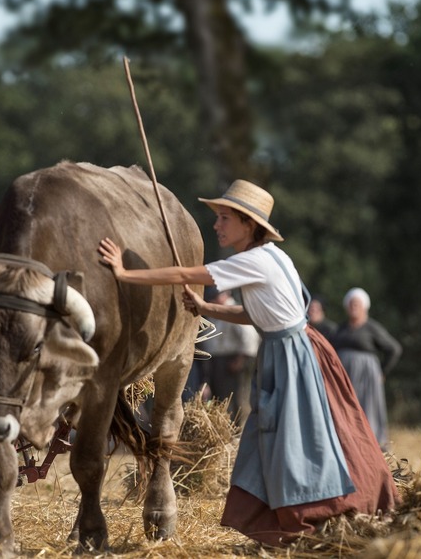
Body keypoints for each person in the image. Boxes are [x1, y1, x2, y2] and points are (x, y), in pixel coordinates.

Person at [98, 179, 397, 545]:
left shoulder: (254, 260)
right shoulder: (273, 257)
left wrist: (124, 273)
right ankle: (284, 524)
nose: (216, 225)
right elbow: (266, 313)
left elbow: (183, 274)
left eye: (224, 218)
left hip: (292, 358)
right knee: (279, 439)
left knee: (295, 441)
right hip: (293, 348)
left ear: (248, 225)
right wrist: (207, 308)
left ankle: (311, 521)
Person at [330, 287, 402, 449]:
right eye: (351, 304)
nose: (354, 307)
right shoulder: (341, 329)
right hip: (344, 375)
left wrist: (382, 372)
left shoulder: (371, 328)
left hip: (366, 375)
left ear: (364, 306)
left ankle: (372, 443)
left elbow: (394, 349)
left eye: (357, 304)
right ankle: (346, 442)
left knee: (367, 407)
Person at [198, 288, 261, 429]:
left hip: (232, 360)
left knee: (234, 398)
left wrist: (240, 360)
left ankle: (236, 430)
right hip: (216, 360)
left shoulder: (232, 308)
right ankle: (224, 428)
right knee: (220, 398)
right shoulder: (215, 312)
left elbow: (249, 337)